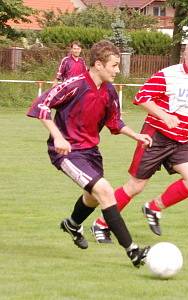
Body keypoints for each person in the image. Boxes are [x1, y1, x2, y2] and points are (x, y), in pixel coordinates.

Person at [27, 40, 152, 267]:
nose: (117, 70)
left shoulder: (110, 91)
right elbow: (41, 105)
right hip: (67, 152)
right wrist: (58, 136)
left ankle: (72, 224)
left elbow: (115, 122)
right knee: (105, 191)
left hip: (91, 152)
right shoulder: (74, 84)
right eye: (114, 65)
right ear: (98, 64)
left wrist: (135, 135)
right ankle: (133, 251)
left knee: (93, 197)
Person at [90, 38, 188, 242]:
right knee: (135, 186)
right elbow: (142, 97)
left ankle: (154, 207)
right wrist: (164, 116)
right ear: (186, 54)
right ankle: (101, 224)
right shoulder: (168, 75)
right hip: (155, 136)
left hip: (181, 141)